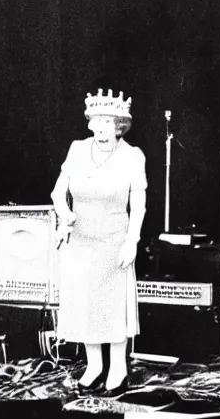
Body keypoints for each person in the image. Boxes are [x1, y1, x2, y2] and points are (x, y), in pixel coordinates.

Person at [50, 88, 147, 395]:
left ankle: (118, 368)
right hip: (80, 239)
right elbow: (57, 193)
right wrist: (65, 216)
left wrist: (132, 240)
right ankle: (94, 366)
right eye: (97, 121)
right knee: (85, 304)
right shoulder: (77, 149)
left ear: (119, 125)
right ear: (90, 123)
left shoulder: (133, 156)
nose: (102, 127)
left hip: (113, 239)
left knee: (113, 305)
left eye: (109, 121)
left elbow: (139, 204)